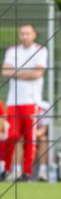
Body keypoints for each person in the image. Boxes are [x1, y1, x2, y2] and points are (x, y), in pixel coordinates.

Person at [1, 24, 48, 181]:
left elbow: (38, 73)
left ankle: (27, 173)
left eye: (27, 33)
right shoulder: (12, 51)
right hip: (13, 101)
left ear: (34, 34)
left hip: (31, 101)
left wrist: (16, 72)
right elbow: (5, 71)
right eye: (22, 33)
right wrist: (25, 72)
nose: (24, 36)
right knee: (12, 135)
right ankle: (8, 168)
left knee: (30, 138)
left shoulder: (40, 51)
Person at [33, 99, 54, 182]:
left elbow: (43, 130)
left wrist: (31, 135)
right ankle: (17, 170)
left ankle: (42, 171)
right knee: (19, 139)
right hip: (25, 138)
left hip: (36, 137)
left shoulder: (44, 106)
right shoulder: (21, 104)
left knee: (44, 139)